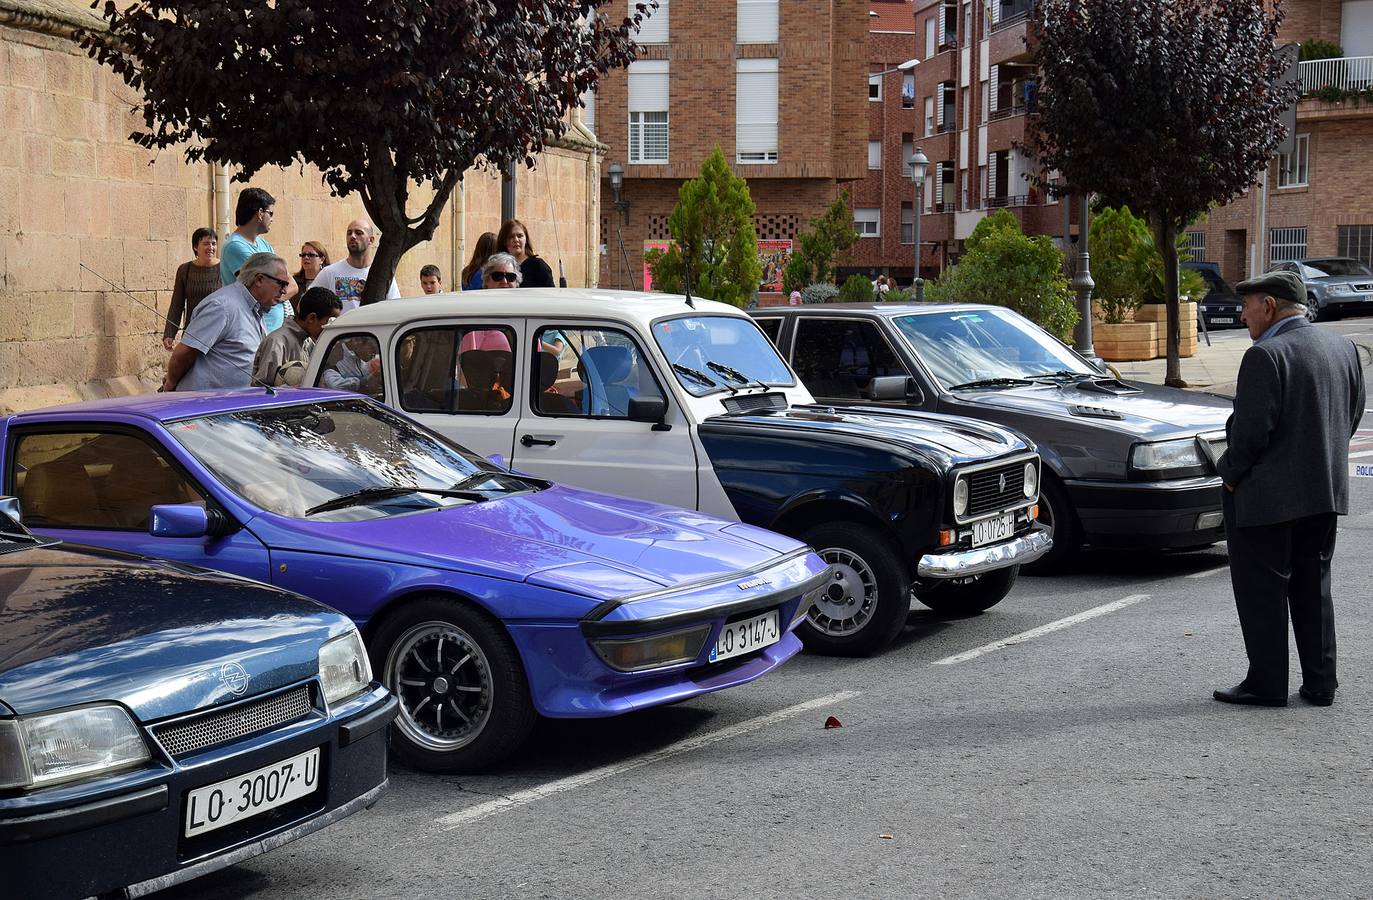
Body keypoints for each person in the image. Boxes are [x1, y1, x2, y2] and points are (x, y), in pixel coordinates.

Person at [1212, 270, 1365, 708]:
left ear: (1270, 306)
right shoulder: (1342, 347)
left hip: (1267, 498)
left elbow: (1251, 434)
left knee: (1263, 592)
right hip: (1324, 492)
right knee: (1314, 587)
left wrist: (1230, 474)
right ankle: (1321, 684)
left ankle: (1267, 683)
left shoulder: (1265, 355)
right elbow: (1350, 418)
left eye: (1247, 306)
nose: (1243, 316)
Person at [163, 252, 289, 392]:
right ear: (259, 279)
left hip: (233, 407)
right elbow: (184, 352)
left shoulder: (254, 308)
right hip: (204, 407)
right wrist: (170, 384)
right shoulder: (222, 306)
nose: (284, 291)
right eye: (281, 283)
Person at [219, 187, 296, 333]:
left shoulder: (264, 244)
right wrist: (277, 294)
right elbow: (261, 290)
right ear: (260, 213)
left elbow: (291, 284)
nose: (272, 219)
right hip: (254, 329)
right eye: (270, 213)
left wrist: (276, 293)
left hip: (274, 330)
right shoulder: (235, 246)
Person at [252, 287, 342, 386]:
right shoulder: (277, 343)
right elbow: (261, 388)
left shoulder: (309, 342)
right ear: (312, 318)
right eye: (328, 322)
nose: (329, 328)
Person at [308, 218, 401, 311]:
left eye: (358, 233)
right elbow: (306, 304)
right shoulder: (330, 273)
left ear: (371, 240)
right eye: (349, 233)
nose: (352, 236)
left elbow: (395, 309)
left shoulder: (383, 275)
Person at [163, 227, 221, 351]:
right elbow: (177, 304)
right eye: (206, 243)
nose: (211, 248)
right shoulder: (185, 270)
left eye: (213, 244)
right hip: (192, 335)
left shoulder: (224, 269)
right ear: (195, 247)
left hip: (219, 337)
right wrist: (169, 333)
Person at [497, 218, 555, 288]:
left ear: (526, 239)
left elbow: (549, 294)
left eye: (520, 236)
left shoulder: (538, 266)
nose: (516, 240)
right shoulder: (497, 267)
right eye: (511, 237)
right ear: (504, 241)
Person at [293, 241, 330, 311]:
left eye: (311, 255)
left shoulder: (328, 280)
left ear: (322, 259)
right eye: (303, 255)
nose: (306, 258)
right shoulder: (294, 282)